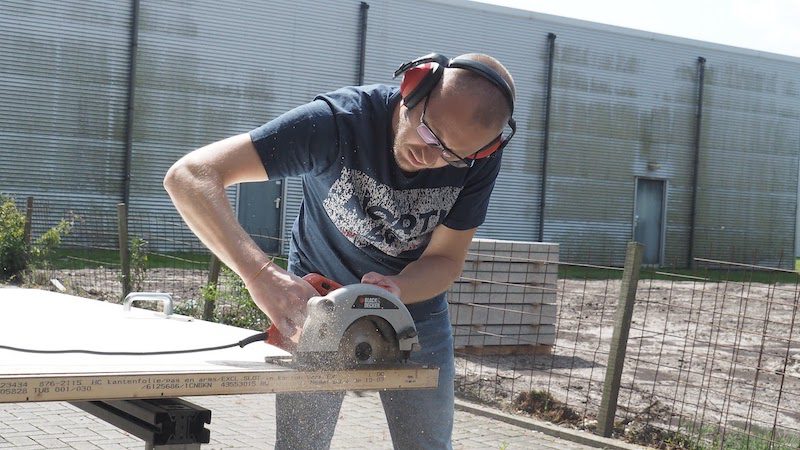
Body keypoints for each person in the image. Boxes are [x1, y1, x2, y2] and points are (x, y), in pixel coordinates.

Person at [164, 52, 516, 449]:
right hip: (317, 303)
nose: (431, 156)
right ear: (413, 87)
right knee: (302, 444)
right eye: (430, 132)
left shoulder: (476, 160)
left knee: (427, 443)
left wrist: (397, 289)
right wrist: (260, 276)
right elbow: (191, 176)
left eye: (452, 154)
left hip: (413, 308)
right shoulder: (335, 123)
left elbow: (445, 260)